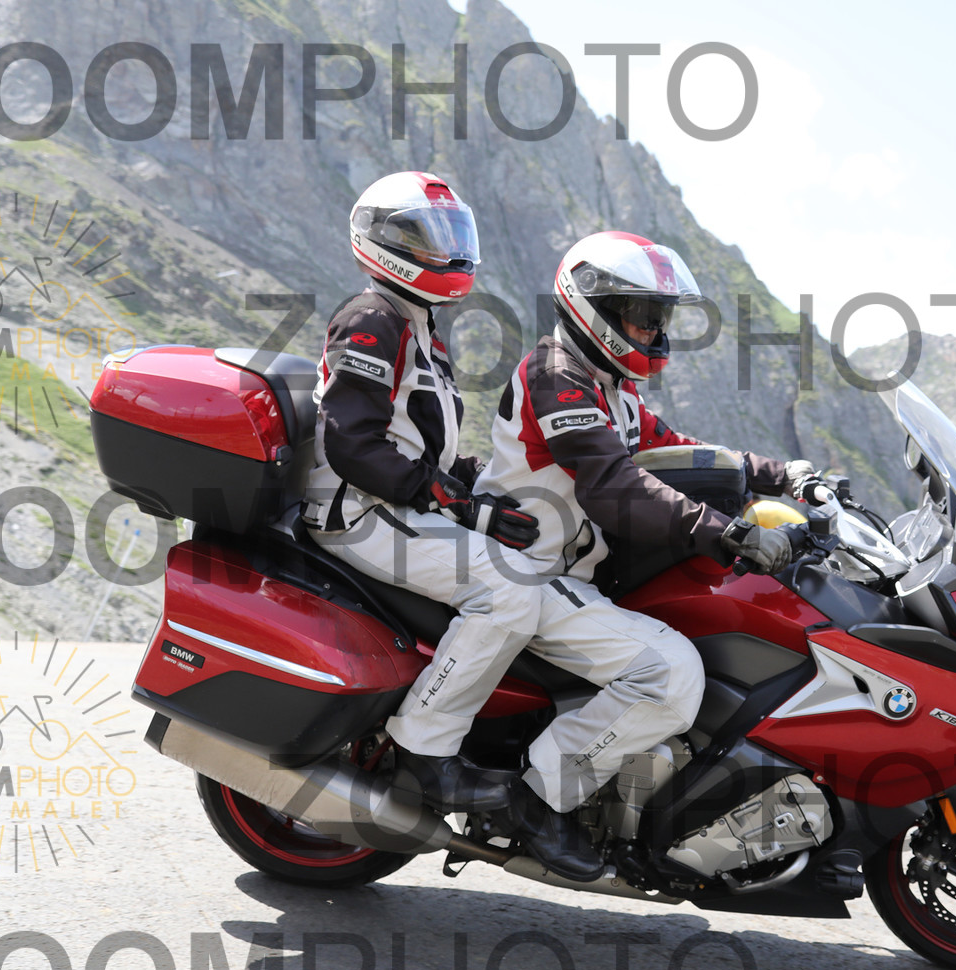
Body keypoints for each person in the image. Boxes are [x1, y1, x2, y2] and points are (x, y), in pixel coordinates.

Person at [475, 231, 816, 874]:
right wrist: (726, 532)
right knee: (671, 674)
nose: (655, 332)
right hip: (527, 575)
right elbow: (614, 485)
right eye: (642, 316)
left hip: (568, 576)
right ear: (595, 307)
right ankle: (536, 802)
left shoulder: (613, 389)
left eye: (660, 317)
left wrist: (785, 474)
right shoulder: (557, 376)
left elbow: (685, 451)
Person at [301, 171, 541, 818]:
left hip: (391, 502)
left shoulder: (419, 326)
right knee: (509, 592)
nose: (446, 253)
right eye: (425, 239)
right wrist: (454, 500)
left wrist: (488, 482)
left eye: (450, 237)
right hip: (357, 510)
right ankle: (423, 757)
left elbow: (422, 444)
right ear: (380, 242)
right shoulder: (372, 318)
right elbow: (353, 443)